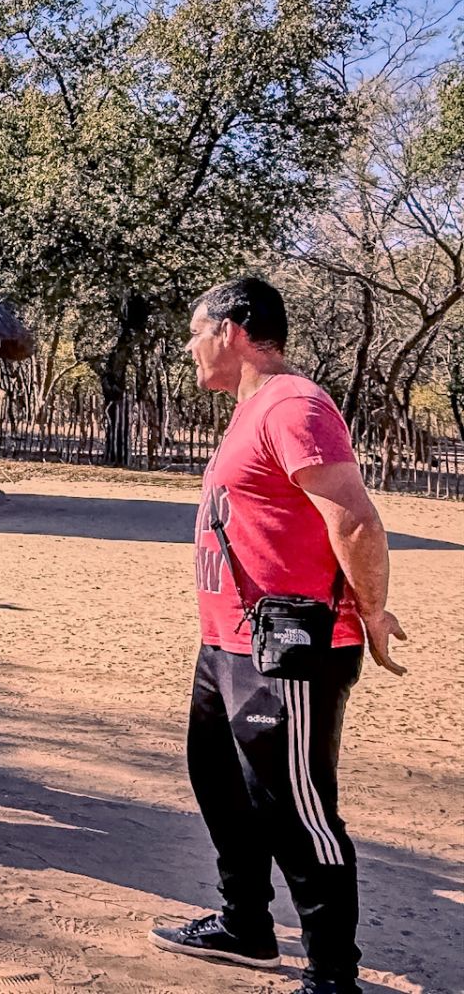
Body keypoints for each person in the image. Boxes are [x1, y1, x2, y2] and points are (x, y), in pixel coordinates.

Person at [149, 278, 407, 994]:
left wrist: (375, 613)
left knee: (297, 808)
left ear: (232, 329)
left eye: (195, 332)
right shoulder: (252, 409)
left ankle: (332, 975)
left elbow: (355, 519)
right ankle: (247, 926)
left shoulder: (295, 404)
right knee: (222, 785)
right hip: (227, 643)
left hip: (288, 647)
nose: (190, 348)